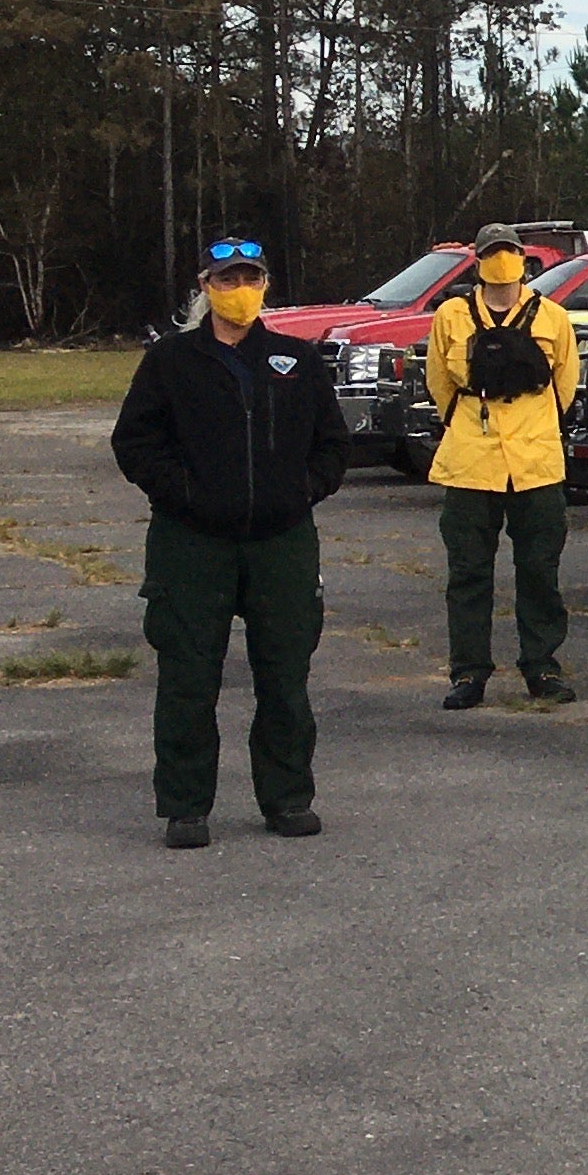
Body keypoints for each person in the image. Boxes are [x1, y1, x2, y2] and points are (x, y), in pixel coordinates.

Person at [109, 234, 347, 848]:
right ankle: (186, 806)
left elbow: (333, 444)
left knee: (285, 675)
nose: (238, 292)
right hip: (192, 543)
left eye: (250, 279)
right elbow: (134, 443)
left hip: (282, 541)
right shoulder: (170, 362)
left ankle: (288, 797)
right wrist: (184, 494)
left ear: (265, 285)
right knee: (188, 676)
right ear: (205, 288)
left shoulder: (297, 360)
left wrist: (301, 491)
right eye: (226, 281)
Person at [421, 224, 579, 710]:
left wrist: (534, 425)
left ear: (523, 258)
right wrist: (467, 423)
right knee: (468, 571)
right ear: (477, 260)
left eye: (510, 252)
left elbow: (565, 386)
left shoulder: (552, 317)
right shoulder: (450, 316)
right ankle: (469, 672)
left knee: (539, 569)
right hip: (471, 459)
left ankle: (542, 666)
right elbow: (438, 383)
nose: (502, 261)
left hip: (536, 462)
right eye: (493, 253)